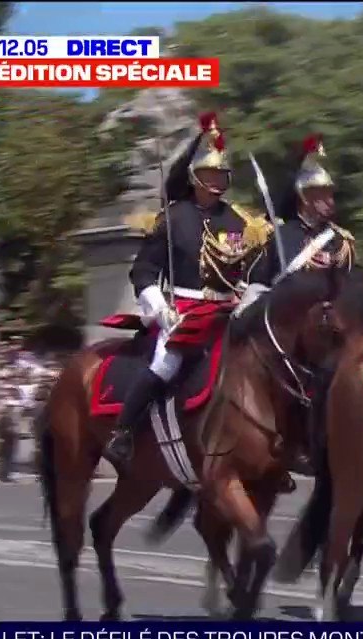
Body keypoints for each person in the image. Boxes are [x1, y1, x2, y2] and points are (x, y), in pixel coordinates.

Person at [102, 112, 278, 465]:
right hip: (184, 310)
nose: (217, 180)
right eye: (210, 174)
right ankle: (123, 432)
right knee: (166, 363)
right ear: (196, 177)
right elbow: (143, 272)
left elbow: (254, 266)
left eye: (221, 174)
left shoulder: (241, 221)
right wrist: (161, 310)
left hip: (232, 310)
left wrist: (250, 293)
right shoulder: (173, 218)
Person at [274, 134, 357, 276]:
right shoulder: (281, 237)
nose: (331, 201)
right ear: (305, 197)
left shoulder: (340, 241)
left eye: (330, 194)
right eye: (323, 195)